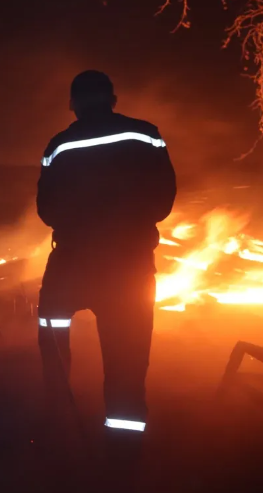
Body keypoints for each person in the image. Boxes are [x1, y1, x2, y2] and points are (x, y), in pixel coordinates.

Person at [36, 70, 177, 437]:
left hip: (72, 261)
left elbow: (46, 208)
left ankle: (56, 419)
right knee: (127, 354)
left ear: (72, 104)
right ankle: (123, 440)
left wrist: (78, 226)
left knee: (53, 330)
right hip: (128, 265)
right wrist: (131, 225)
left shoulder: (59, 145)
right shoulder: (146, 135)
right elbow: (164, 198)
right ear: (113, 100)